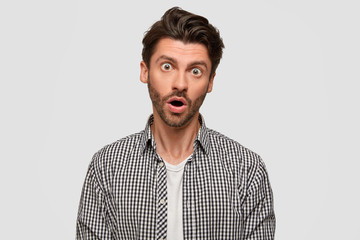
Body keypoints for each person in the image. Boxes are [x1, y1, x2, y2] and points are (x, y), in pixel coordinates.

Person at [76, 7, 275, 240]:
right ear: (145, 71)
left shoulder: (247, 170)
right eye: (167, 66)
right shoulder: (107, 167)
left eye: (195, 71)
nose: (180, 83)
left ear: (210, 82)